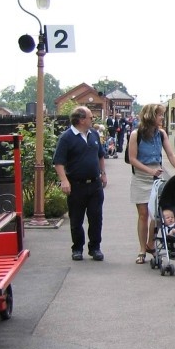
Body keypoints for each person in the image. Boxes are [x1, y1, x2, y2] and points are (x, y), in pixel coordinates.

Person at [127, 102, 175, 264]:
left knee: (156, 214)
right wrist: (149, 170)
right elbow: (132, 159)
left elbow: (171, 154)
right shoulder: (135, 134)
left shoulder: (161, 134)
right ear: (151, 116)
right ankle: (141, 249)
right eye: (160, 114)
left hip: (157, 177)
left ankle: (151, 243)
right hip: (141, 176)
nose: (162, 118)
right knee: (143, 214)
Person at [54, 106, 107, 261]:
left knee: (96, 217)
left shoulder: (94, 135)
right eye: (91, 118)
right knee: (76, 219)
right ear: (81, 120)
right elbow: (59, 161)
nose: (93, 120)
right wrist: (64, 180)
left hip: (95, 184)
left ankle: (95, 248)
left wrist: (103, 174)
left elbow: (101, 155)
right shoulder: (67, 137)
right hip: (76, 184)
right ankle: (77, 248)